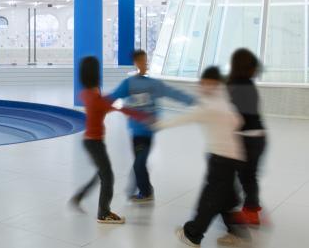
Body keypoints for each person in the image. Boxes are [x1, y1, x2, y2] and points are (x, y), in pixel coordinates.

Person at [154, 66, 247, 247]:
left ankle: (193, 234)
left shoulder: (209, 106)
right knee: (227, 199)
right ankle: (239, 234)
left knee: (210, 199)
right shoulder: (224, 100)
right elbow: (238, 121)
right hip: (234, 157)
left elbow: (186, 118)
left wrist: (160, 124)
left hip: (221, 158)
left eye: (206, 82)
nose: (203, 86)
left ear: (214, 83)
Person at [108, 49, 196, 203]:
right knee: (139, 162)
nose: (145, 64)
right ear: (136, 63)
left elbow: (172, 92)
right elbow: (111, 97)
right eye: (141, 61)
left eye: (146, 60)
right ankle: (142, 189)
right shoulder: (128, 84)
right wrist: (95, 102)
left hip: (148, 131)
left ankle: (146, 191)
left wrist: (192, 100)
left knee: (139, 162)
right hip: (136, 132)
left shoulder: (153, 84)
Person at [69, 56, 149, 224]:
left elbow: (105, 104)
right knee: (108, 177)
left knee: (101, 173)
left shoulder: (86, 93)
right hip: (95, 143)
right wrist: (141, 115)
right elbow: (119, 109)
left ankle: (79, 197)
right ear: (95, 74)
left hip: (89, 141)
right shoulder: (96, 98)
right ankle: (103, 213)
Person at [226, 48, 267, 226]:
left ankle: (248, 210)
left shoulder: (234, 86)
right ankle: (251, 209)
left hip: (245, 138)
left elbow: (234, 116)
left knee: (237, 175)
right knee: (249, 176)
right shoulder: (249, 85)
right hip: (258, 137)